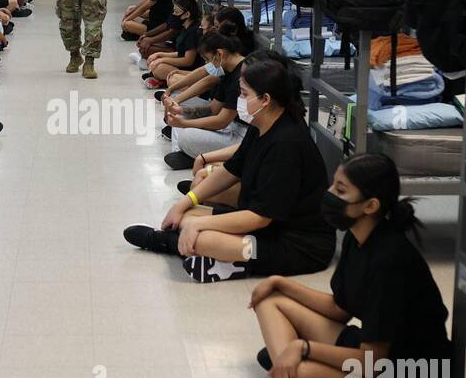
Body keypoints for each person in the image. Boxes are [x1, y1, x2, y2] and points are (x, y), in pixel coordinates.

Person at [249, 153, 452, 378]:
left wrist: (303, 347)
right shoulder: (359, 238)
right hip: (378, 356)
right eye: (333, 185)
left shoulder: (390, 261)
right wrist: (280, 282)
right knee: (270, 300)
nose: (329, 194)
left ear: (370, 205)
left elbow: (373, 363)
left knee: (303, 371)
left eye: (340, 190)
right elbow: (339, 309)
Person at [123, 50, 335, 282]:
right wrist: (185, 202)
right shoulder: (263, 124)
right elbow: (230, 170)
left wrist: (200, 224)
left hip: (298, 247)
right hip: (270, 227)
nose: (240, 100)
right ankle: (217, 256)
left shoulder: (287, 144)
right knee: (187, 217)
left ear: (265, 99)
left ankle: (175, 244)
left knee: (202, 236)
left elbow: (259, 218)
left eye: (244, 94)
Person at [162, 23, 248, 170]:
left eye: (208, 60)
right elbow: (213, 110)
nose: (208, 65)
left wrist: (184, 123)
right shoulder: (227, 71)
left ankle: (190, 153)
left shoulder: (242, 76)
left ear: (219, 54)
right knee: (181, 119)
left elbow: (221, 121)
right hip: (232, 126)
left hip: (243, 135)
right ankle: (189, 153)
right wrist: (181, 112)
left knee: (185, 133)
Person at [142, 0, 202, 88]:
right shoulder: (185, 28)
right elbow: (180, 53)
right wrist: (160, 55)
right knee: (156, 61)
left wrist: (163, 59)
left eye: (176, 12)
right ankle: (162, 80)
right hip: (182, 66)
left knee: (159, 68)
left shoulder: (193, 32)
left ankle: (165, 81)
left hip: (190, 70)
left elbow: (188, 61)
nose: (174, 15)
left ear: (187, 14)